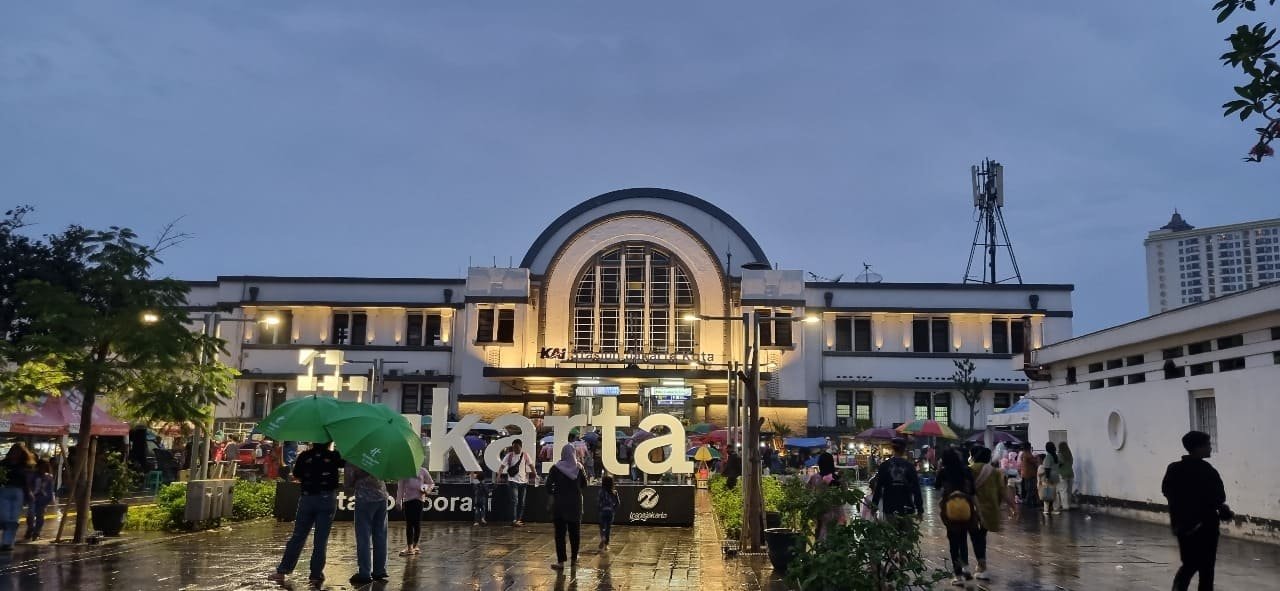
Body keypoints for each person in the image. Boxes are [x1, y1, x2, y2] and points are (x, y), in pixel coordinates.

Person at [1162, 431, 1232, 591]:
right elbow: (1218, 498)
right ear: (1198, 447)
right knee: (1206, 570)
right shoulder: (1207, 471)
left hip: (1182, 526)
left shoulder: (1173, 469)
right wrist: (1224, 512)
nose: (1210, 447)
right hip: (1206, 527)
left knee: (1189, 564)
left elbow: (1166, 491)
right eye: (1208, 444)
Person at [268, 442, 344, 584]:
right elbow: (345, 465)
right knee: (321, 540)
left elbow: (296, 475)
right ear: (329, 441)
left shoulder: (305, 455)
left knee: (298, 536)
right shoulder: (334, 456)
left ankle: (283, 571)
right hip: (327, 500)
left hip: (307, 498)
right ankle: (316, 575)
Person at [968, 446, 1018, 581]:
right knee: (981, 536)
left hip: (973, 508)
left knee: (975, 537)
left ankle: (980, 565)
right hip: (989, 509)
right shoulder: (995, 472)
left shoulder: (970, 470)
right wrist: (1013, 506)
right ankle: (981, 565)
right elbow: (1003, 491)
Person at [934, 448, 978, 584]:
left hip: (950, 510)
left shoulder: (943, 471)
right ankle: (966, 569)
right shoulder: (966, 470)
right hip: (966, 508)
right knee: (963, 539)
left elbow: (936, 486)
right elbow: (973, 491)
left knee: (953, 542)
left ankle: (958, 576)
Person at [344, 462, 390, 586]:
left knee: (363, 536)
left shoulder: (353, 458)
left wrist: (355, 482)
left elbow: (347, 487)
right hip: (381, 497)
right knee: (380, 535)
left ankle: (364, 573)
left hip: (364, 500)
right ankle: (380, 571)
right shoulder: (380, 455)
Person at [547, 444, 587, 570]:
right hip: (575, 505)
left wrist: (556, 492)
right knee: (575, 533)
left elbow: (548, 485)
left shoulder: (556, 468)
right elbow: (585, 485)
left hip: (560, 505)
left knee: (560, 534)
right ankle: (574, 558)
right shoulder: (579, 468)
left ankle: (561, 562)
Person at [871, 438, 924, 521]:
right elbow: (916, 489)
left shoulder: (884, 466)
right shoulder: (909, 466)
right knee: (907, 533)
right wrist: (920, 510)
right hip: (907, 507)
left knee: (891, 533)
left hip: (889, 508)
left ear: (892, 448)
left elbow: (878, 488)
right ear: (904, 449)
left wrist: (874, 507)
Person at [0, 444, 34, 550]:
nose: (16, 454)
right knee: (4, 517)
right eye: (14, 451)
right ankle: (7, 541)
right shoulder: (3, 464)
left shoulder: (25, 465)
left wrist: (29, 493)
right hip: (4, 490)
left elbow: (27, 481)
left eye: (18, 452)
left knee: (13, 519)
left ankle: (8, 542)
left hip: (19, 492)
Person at [806, 452, 847, 540]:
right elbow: (845, 495)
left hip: (821, 512)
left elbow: (807, 493)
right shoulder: (839, 479)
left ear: (820, 464)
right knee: (838, 541)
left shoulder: (815, 478)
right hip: (837, 513)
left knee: (821, 540)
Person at [396, 462, 434, 556]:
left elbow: (431, 483)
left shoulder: (423, 471)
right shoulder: (404, 472)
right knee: (409, 523)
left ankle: (415, 545)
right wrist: (398, 501)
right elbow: (400, 487)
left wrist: (427, 490)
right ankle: (409, 546)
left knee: (417, 523)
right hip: (408, 500)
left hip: (419, 500)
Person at [497, 440, 536, 527]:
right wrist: (498, 476)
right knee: (515, 501)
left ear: (521, 447)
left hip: (524, 482)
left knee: (522, 502)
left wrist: (535, 475)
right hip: (512, 481)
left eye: (517, 447)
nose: (515, 449)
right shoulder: (509, 455)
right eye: (514, 447)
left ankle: (518, 520)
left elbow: (531, 465)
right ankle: (514, 520)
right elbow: (501, 467)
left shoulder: (525, 455)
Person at [25, 459, 55, 542]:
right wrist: (29, 493)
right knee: (30, 514)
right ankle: (30, 528)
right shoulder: (32, 475)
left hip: (43, 499)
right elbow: (28, 485)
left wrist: (50, 499)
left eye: (44, 468)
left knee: (40, 515)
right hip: (33, 497)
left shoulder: (49, 477)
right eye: (41, 467)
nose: (42, 469)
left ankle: (36, 532)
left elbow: (50, 489)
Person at [597, 474, 620, 551]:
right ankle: (606, 545)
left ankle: (603, 537)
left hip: (602, 511)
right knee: (608, 528)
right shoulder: (614, 492)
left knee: (602, 527)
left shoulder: (601, 491)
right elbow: (617, 503)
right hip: (610, 512)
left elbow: (598, 502)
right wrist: (614, 509)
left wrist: (599, 509)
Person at [1038, 446, 1061, 515]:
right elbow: (1060, 464)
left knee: (1047, 493)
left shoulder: (1048, 457)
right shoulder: (1056, 456)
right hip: (1056, 476)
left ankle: (1046, 510)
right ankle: (1056, 509)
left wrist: (1047, 477)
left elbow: (1047, 469)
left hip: (1049, 478)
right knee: (1055, 493)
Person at [1056, 442, 1075, 511]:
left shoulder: (1059, 455)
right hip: (1070, 473)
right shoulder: (1070, 454)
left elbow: (1058, 464)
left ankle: (1065, 506)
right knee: (1069, 491)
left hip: (1062, 474)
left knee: (1063, 491)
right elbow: (1071, 463)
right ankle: (1068, 504)